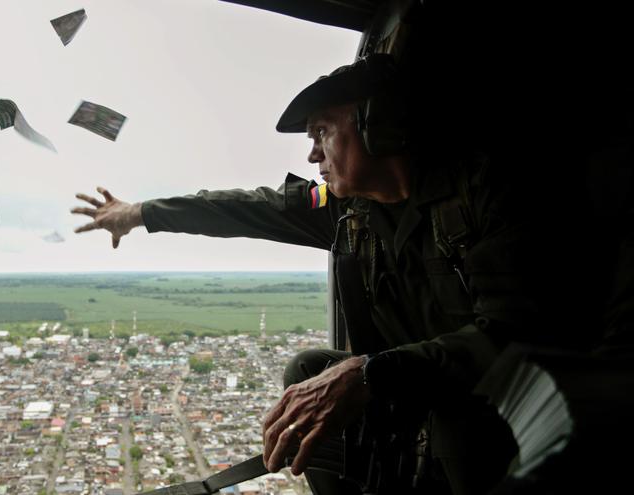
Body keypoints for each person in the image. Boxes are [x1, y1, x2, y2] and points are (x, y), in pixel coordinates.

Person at [71, 55, 610, 495]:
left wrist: (371, 374)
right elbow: (244, 207)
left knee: (452, 423)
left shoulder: (491, 192)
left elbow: (520, 340)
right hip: (417, 386)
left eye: (322, 132)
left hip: (509, 405)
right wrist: (141, 213)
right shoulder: (349, 209)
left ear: (382, 125)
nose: (311, 154)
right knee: (311, 369)